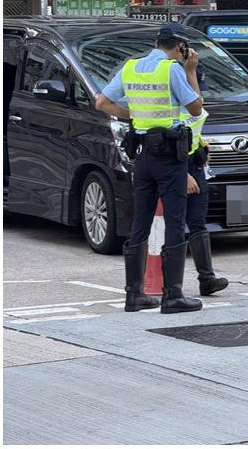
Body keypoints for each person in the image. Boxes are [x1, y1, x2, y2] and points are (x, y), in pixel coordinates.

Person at [95, 23, 204, 314]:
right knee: (174, 220)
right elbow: (196, 108)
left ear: (156, 43)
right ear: (181, 48)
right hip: (169, 157)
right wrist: (191, 72)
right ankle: (173, 295)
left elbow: (102, 102)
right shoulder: (172, 70)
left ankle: (134, 295)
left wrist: (134, 116)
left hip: (142, 156)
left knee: (140, 221)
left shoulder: (130, 67)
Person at [183, 70, 228, 296]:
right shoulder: (170, 105)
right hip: (179, 168)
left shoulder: (188, 103)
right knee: (175, 227)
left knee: (198, 224)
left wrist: (201, 144)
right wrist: (182, 174)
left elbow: (194, 122)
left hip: (195, 164)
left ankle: (207, 279)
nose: (198, 93)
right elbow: (168, 140)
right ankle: (170, 285)